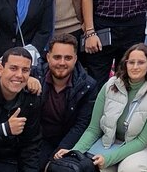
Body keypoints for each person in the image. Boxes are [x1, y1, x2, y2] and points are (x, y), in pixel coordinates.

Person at [70, 43, 147, 172]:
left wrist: (108, 159)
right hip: (110, 143)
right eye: (131, 62)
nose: (135, 67)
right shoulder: (110, 85)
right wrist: (74, 153)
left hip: (145, 148)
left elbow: (142, 140)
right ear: (125, 64)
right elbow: (93, 129)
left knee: (130, 169)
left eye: (141, 63)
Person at [36, 35, 99, 170]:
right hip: (39, 139)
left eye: (68, 58)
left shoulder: (88, 85)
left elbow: (81, 125)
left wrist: (55, 157)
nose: (62, 62)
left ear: (75, 59)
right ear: (48, 57)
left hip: (69, 142)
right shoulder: (35, 76)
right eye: (57, 57)